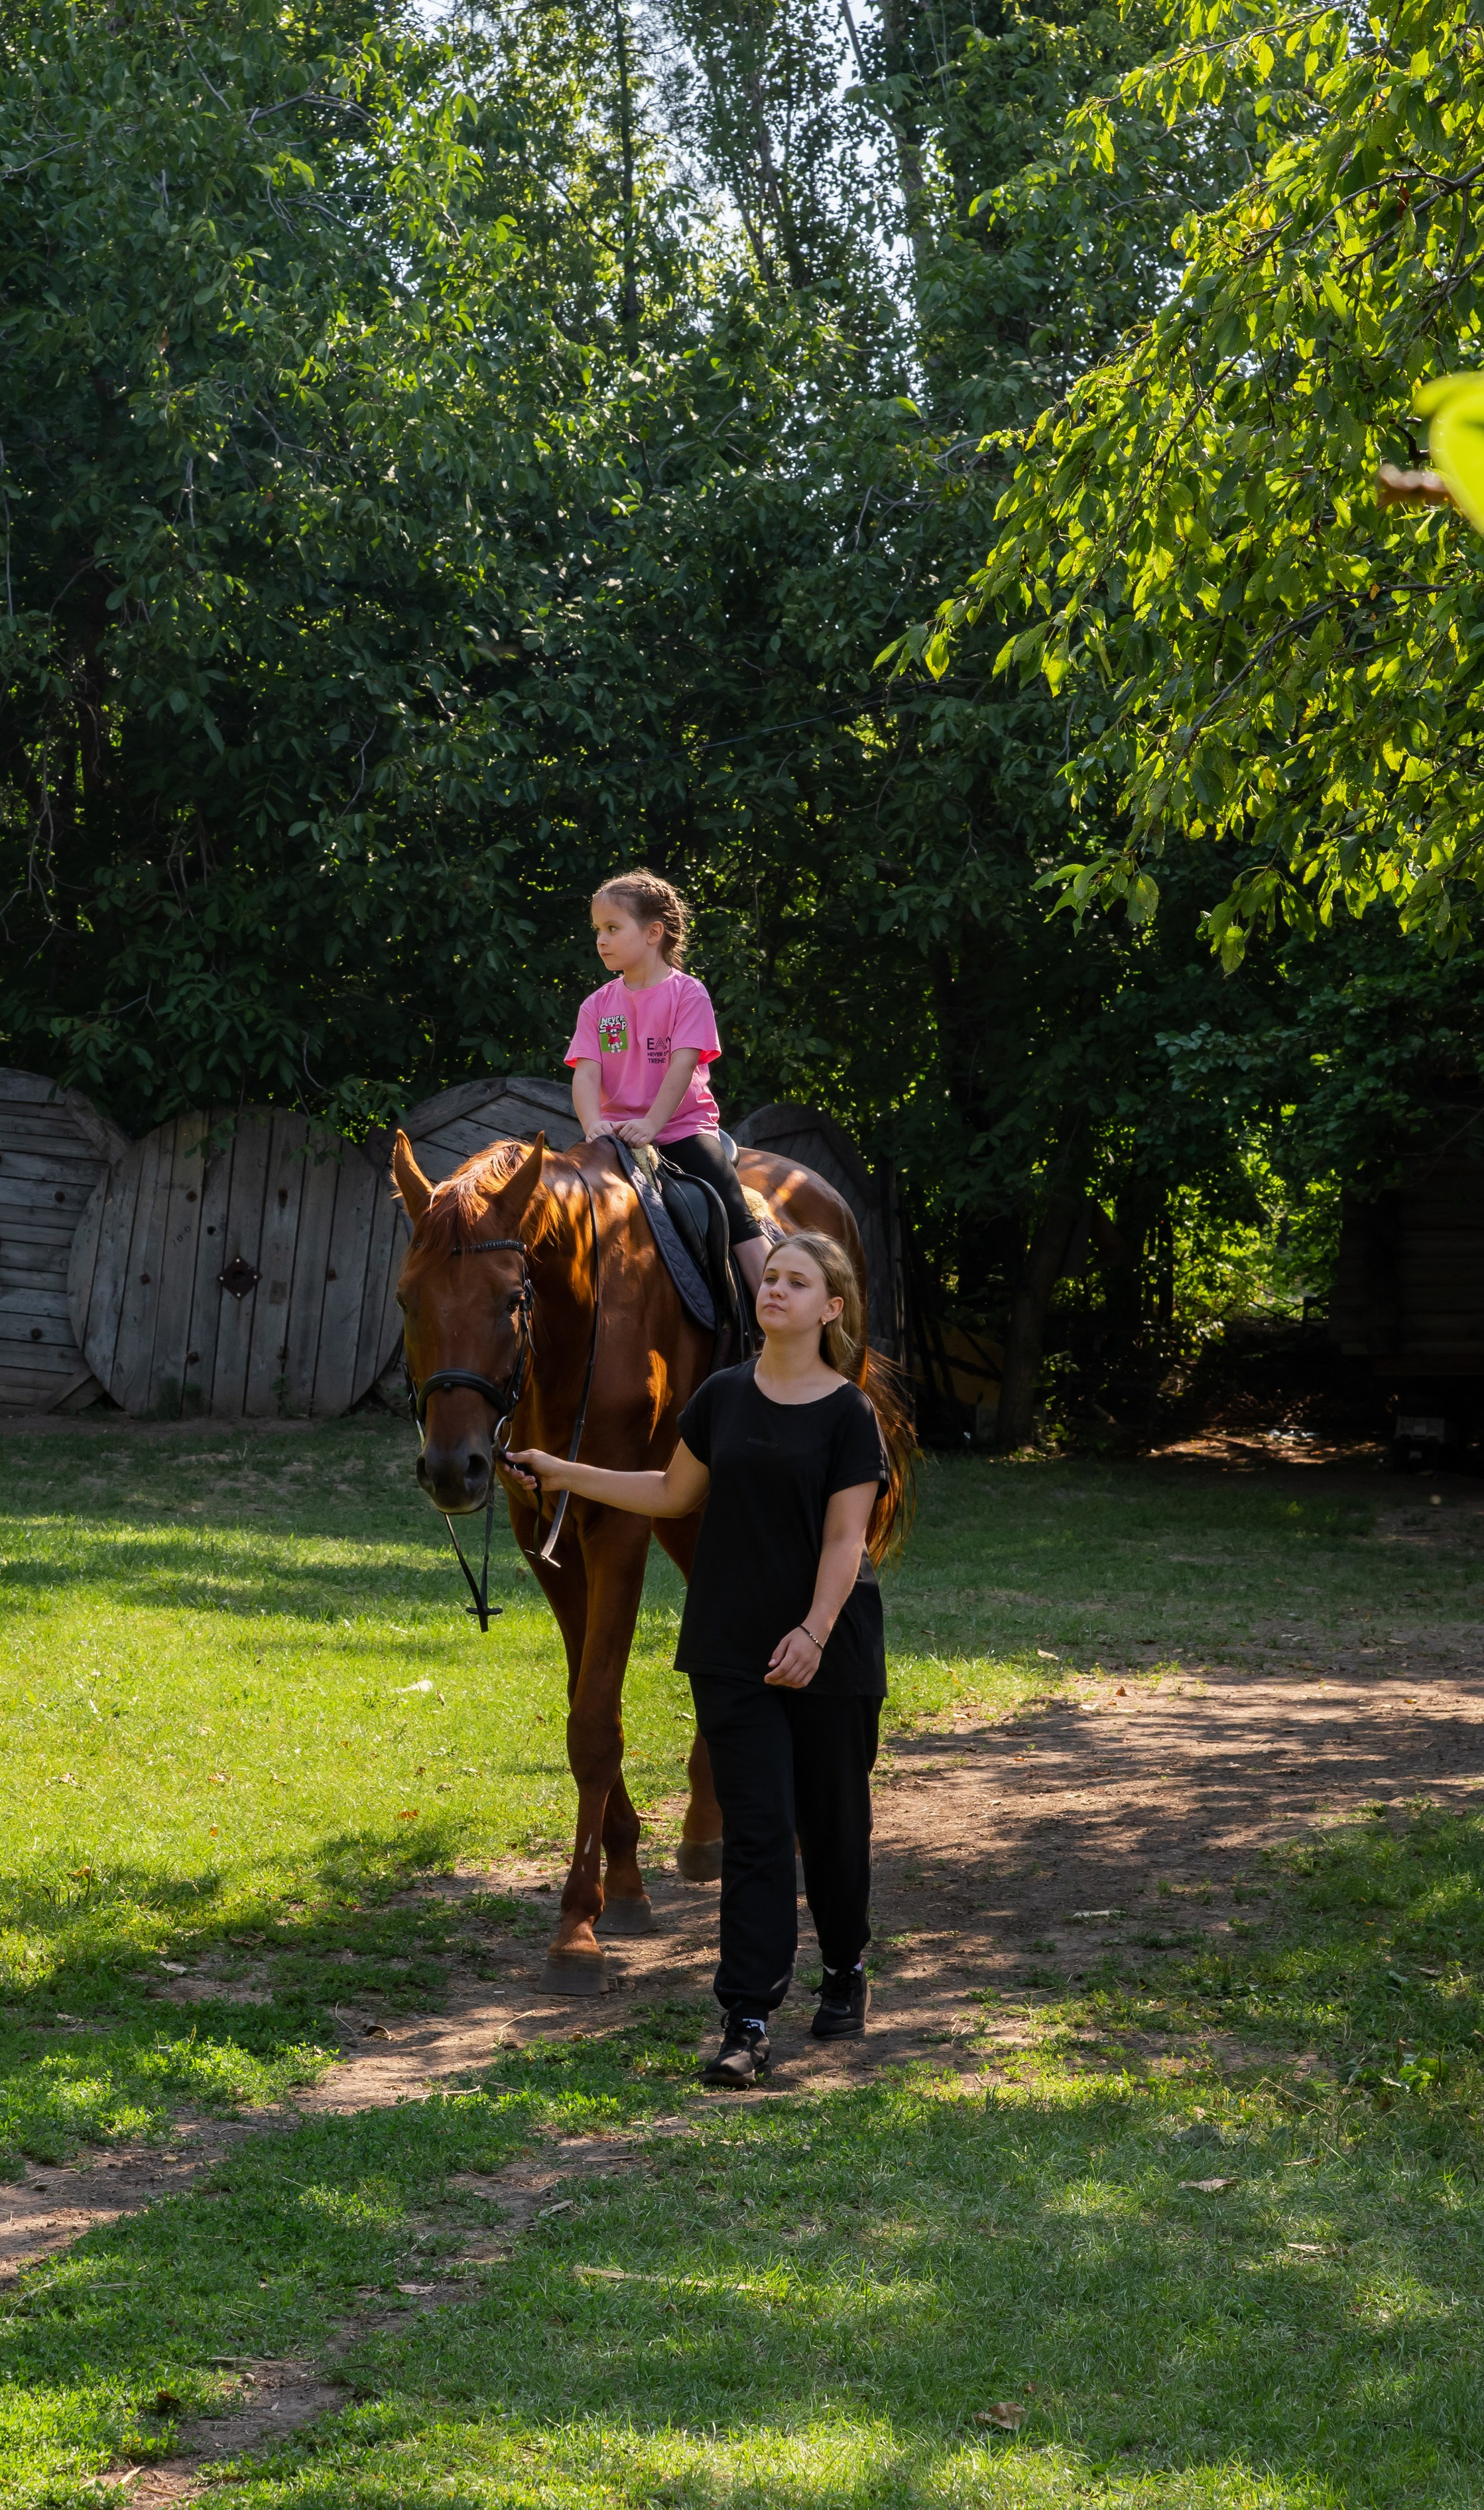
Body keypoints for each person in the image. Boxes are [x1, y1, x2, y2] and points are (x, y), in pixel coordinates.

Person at [501, 1229, 914, 2088]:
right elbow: (668, 1493)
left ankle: (843, 1969)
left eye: (797, 1283)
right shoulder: (724, 1396)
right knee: (758, 1833)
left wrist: (812, 1631)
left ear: (830, 1308)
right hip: (733, 1648)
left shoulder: (848, 1414)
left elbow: (847, 1540)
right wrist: (562, 1470)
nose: (775, 1289)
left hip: (829, 1650)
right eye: (772, 1278)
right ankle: (749, 2018)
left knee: (835, 1829)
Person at [565, 868, 771, 1294]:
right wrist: (592, 1126)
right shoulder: (597, 1005)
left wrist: (652, 1126)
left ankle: (774, 1308)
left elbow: (682, 1067)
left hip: (679, 1129)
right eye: (597, 930)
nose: (600, 939)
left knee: (734, 1210)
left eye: (613, 928)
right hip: (614, 1136)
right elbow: (586, 1073)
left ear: (654, 932)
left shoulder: (687, 994)